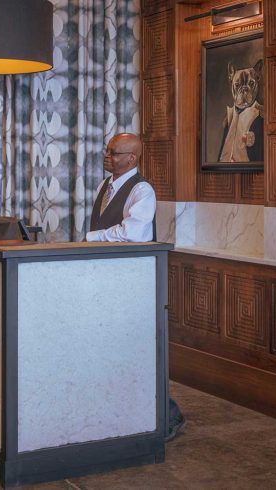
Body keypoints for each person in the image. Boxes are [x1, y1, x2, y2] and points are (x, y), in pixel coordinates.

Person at [86, 132, 186, 442]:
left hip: (132, 285)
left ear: (132, 158)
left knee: (137, 353)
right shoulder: (106, 186)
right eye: (107, 150)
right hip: (107, 279)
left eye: (114, 153)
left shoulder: (142, 191)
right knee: (114, 352)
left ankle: (169, 417)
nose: (107, 156)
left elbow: (133, 232)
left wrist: (89, 239)